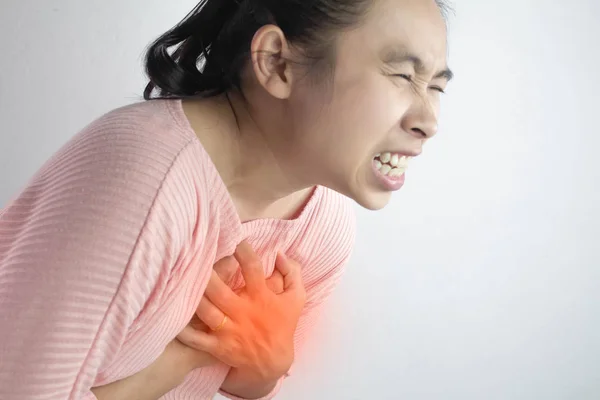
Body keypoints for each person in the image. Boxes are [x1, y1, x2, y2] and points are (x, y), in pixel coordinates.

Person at [0, 0, 453, 398]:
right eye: (402, 75)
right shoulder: (146, 177)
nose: (429, 121)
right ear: (277, 63)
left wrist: (266, 366)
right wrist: (179, 359)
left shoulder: (324, 224)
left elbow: (249, 382)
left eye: (436, 86)